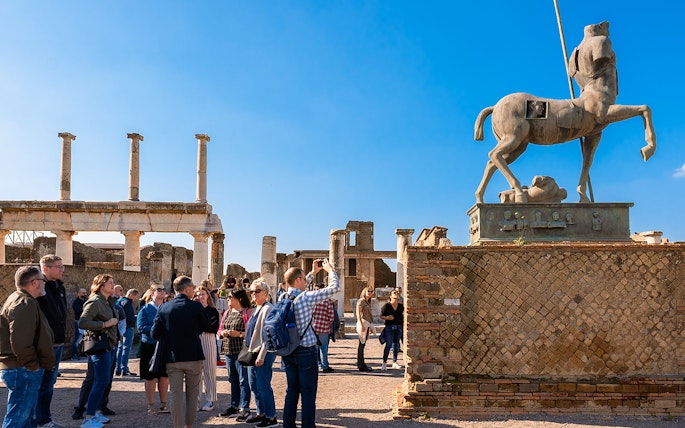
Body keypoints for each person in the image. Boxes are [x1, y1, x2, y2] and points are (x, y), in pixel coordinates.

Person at [281, 258, 339, 428]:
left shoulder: (283, 296)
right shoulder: (305, 298)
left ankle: (288, 425)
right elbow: (334, 288)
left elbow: (299, 284)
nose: (306, 281)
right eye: (304, 279)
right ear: (298, 280)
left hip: (288, 351)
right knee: (307, 393)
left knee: (291, 391)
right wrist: (330, 271)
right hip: (305, 351)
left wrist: (312, 273)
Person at [151, 275, 213, 428]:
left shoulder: (164, 307)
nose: (193, 291)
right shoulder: (196, 306)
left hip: (173, 357)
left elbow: (154, 333)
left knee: (176, 394)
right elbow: (208, 327)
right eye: (192, 288)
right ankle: (189, 425)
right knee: (192, 394)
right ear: (187, 289)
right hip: (193, 356)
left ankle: (178, 426)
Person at [0, 266, 56, 428]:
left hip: (21, 367)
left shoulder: (21, 299)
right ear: (34, 283)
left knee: (26, 417)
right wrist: (32, 366)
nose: (44, 283)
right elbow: (21, 342)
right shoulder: (25, 303)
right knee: (18, 418)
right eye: (42, 280)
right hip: (22, 369)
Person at [78, 274, 120, 428]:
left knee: (104, 381)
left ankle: (95, 412)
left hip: (109, 345)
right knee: (100, 381)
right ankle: (88, 417)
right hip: (100, 346)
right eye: (110, 283)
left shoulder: (108, 301)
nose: (113, 285)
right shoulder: (95, 301)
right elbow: (83, 322)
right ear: (101, 285)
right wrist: (105, 324)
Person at [36, 254, 68, 428]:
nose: (62, 269)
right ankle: (39, 421)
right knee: (41, 384)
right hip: (45, 344)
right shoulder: (38, 287)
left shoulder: (59, 287)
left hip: (58, 342)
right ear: (46, 268)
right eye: (58, 267)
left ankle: (44, 419)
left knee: (49, 383)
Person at [244, 278, 277, 427]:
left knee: (263, 385)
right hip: (253, 351)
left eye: (256, 291)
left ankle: (271, 417)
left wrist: (262, 355)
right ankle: (261, 413)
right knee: (254, 385)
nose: (253, 294)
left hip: (262, 353)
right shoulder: (257, 307)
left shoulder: (268, 308)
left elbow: (267, 335)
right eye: (251, 291)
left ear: (265, 292)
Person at [218, 288, 252, 420]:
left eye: (231, 297)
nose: (228, 300)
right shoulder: (227, 312)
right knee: (232, 379)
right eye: (228, 297)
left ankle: (245, 407)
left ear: (240, 299)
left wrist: (238, 334)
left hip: (241, 351)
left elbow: (251, 332)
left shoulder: (247, 312)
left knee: (243, 380)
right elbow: (220, 329)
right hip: (228, 350)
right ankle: (234, 406)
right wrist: (223, 333)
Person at [137, 283, 170, 416]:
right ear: (152, 293)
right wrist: (157, 331)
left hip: (164, 346)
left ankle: (163, 404)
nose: (162, 291)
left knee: (164, 375)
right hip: (149, 345)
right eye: (159, 289)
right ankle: (151, 405)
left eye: (163, 289)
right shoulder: (145, 309)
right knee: (150, 376)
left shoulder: (168, 308)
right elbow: (140, 327)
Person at [193, 285, 220, 412]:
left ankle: (210, 399)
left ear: (208, 295)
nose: (200, 296)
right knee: (196, 372)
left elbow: (212, 328)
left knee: (209, 371)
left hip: (208, 340)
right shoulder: (194, 310)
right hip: (196, 341)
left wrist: (199, 326)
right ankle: (196, 400)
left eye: (202, 294)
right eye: (198, 294)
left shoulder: (212, 311)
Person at [311, 283, 335, 373]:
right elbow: (331, 316)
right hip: (324, 327)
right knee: (324, 348)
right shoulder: (327, 301)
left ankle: (314, 366)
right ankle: (325, 366)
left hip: (313, 328)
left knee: (314, 349)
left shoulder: (312, 300)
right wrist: (326, 323)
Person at [115, 288, 139, 376]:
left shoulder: (119, 301)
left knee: (120, 348)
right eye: (135, 296)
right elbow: (129, 316)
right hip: (128, 327)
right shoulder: (127, 303)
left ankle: (118, 368)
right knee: (126, 348)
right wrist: (135, 319)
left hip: (120, 327)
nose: (135, 299)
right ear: (131, 295)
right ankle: (124, 368)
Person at [379, 289, 404, 371]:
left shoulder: (401, 306)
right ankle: (384, 362)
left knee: (396, 344)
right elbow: (381, 316)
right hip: (389, 327)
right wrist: (387, 318)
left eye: (397, 293)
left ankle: (395, 362)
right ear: (390, 296)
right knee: (388, 344)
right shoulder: (387, 306)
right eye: (394, 293)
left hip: (399, 326)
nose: (396, 294)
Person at [356, 286, 374, 372]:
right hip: (363, 323)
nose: (370, 293)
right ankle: (361, 364)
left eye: (371, 291)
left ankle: (361, 364)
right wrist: (361, 324)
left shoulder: (367, 302)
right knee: (361, 345)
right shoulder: (361, 301)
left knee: (363, 345)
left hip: (367, 324)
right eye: (368, 291)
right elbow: (358, 313)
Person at [71, 288, 88, 359]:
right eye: (83, 293)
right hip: (79, 322)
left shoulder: (86, 302)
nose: (84, 294)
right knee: (78, 339)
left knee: (86, 339)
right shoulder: (76, 302)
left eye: (85, 293)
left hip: (86, 322)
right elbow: (79, 311)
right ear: (79, 294)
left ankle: (83, 353)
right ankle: (74, 354)